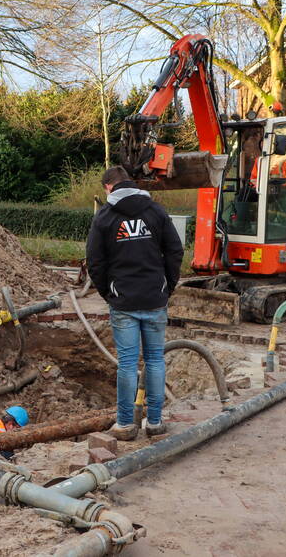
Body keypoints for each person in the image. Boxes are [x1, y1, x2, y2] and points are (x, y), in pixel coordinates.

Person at [86, 166, 184, 440]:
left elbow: (95, 261)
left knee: (127, 364)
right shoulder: (155, 211)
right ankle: (154, 422)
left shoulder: (105, 217)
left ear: (108, 187)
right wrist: (167, 286)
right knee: (155, 360)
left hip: (124, 302)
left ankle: (126, 425)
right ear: (130, 182)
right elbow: (175, 250)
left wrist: (110, 293)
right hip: (155, 297)